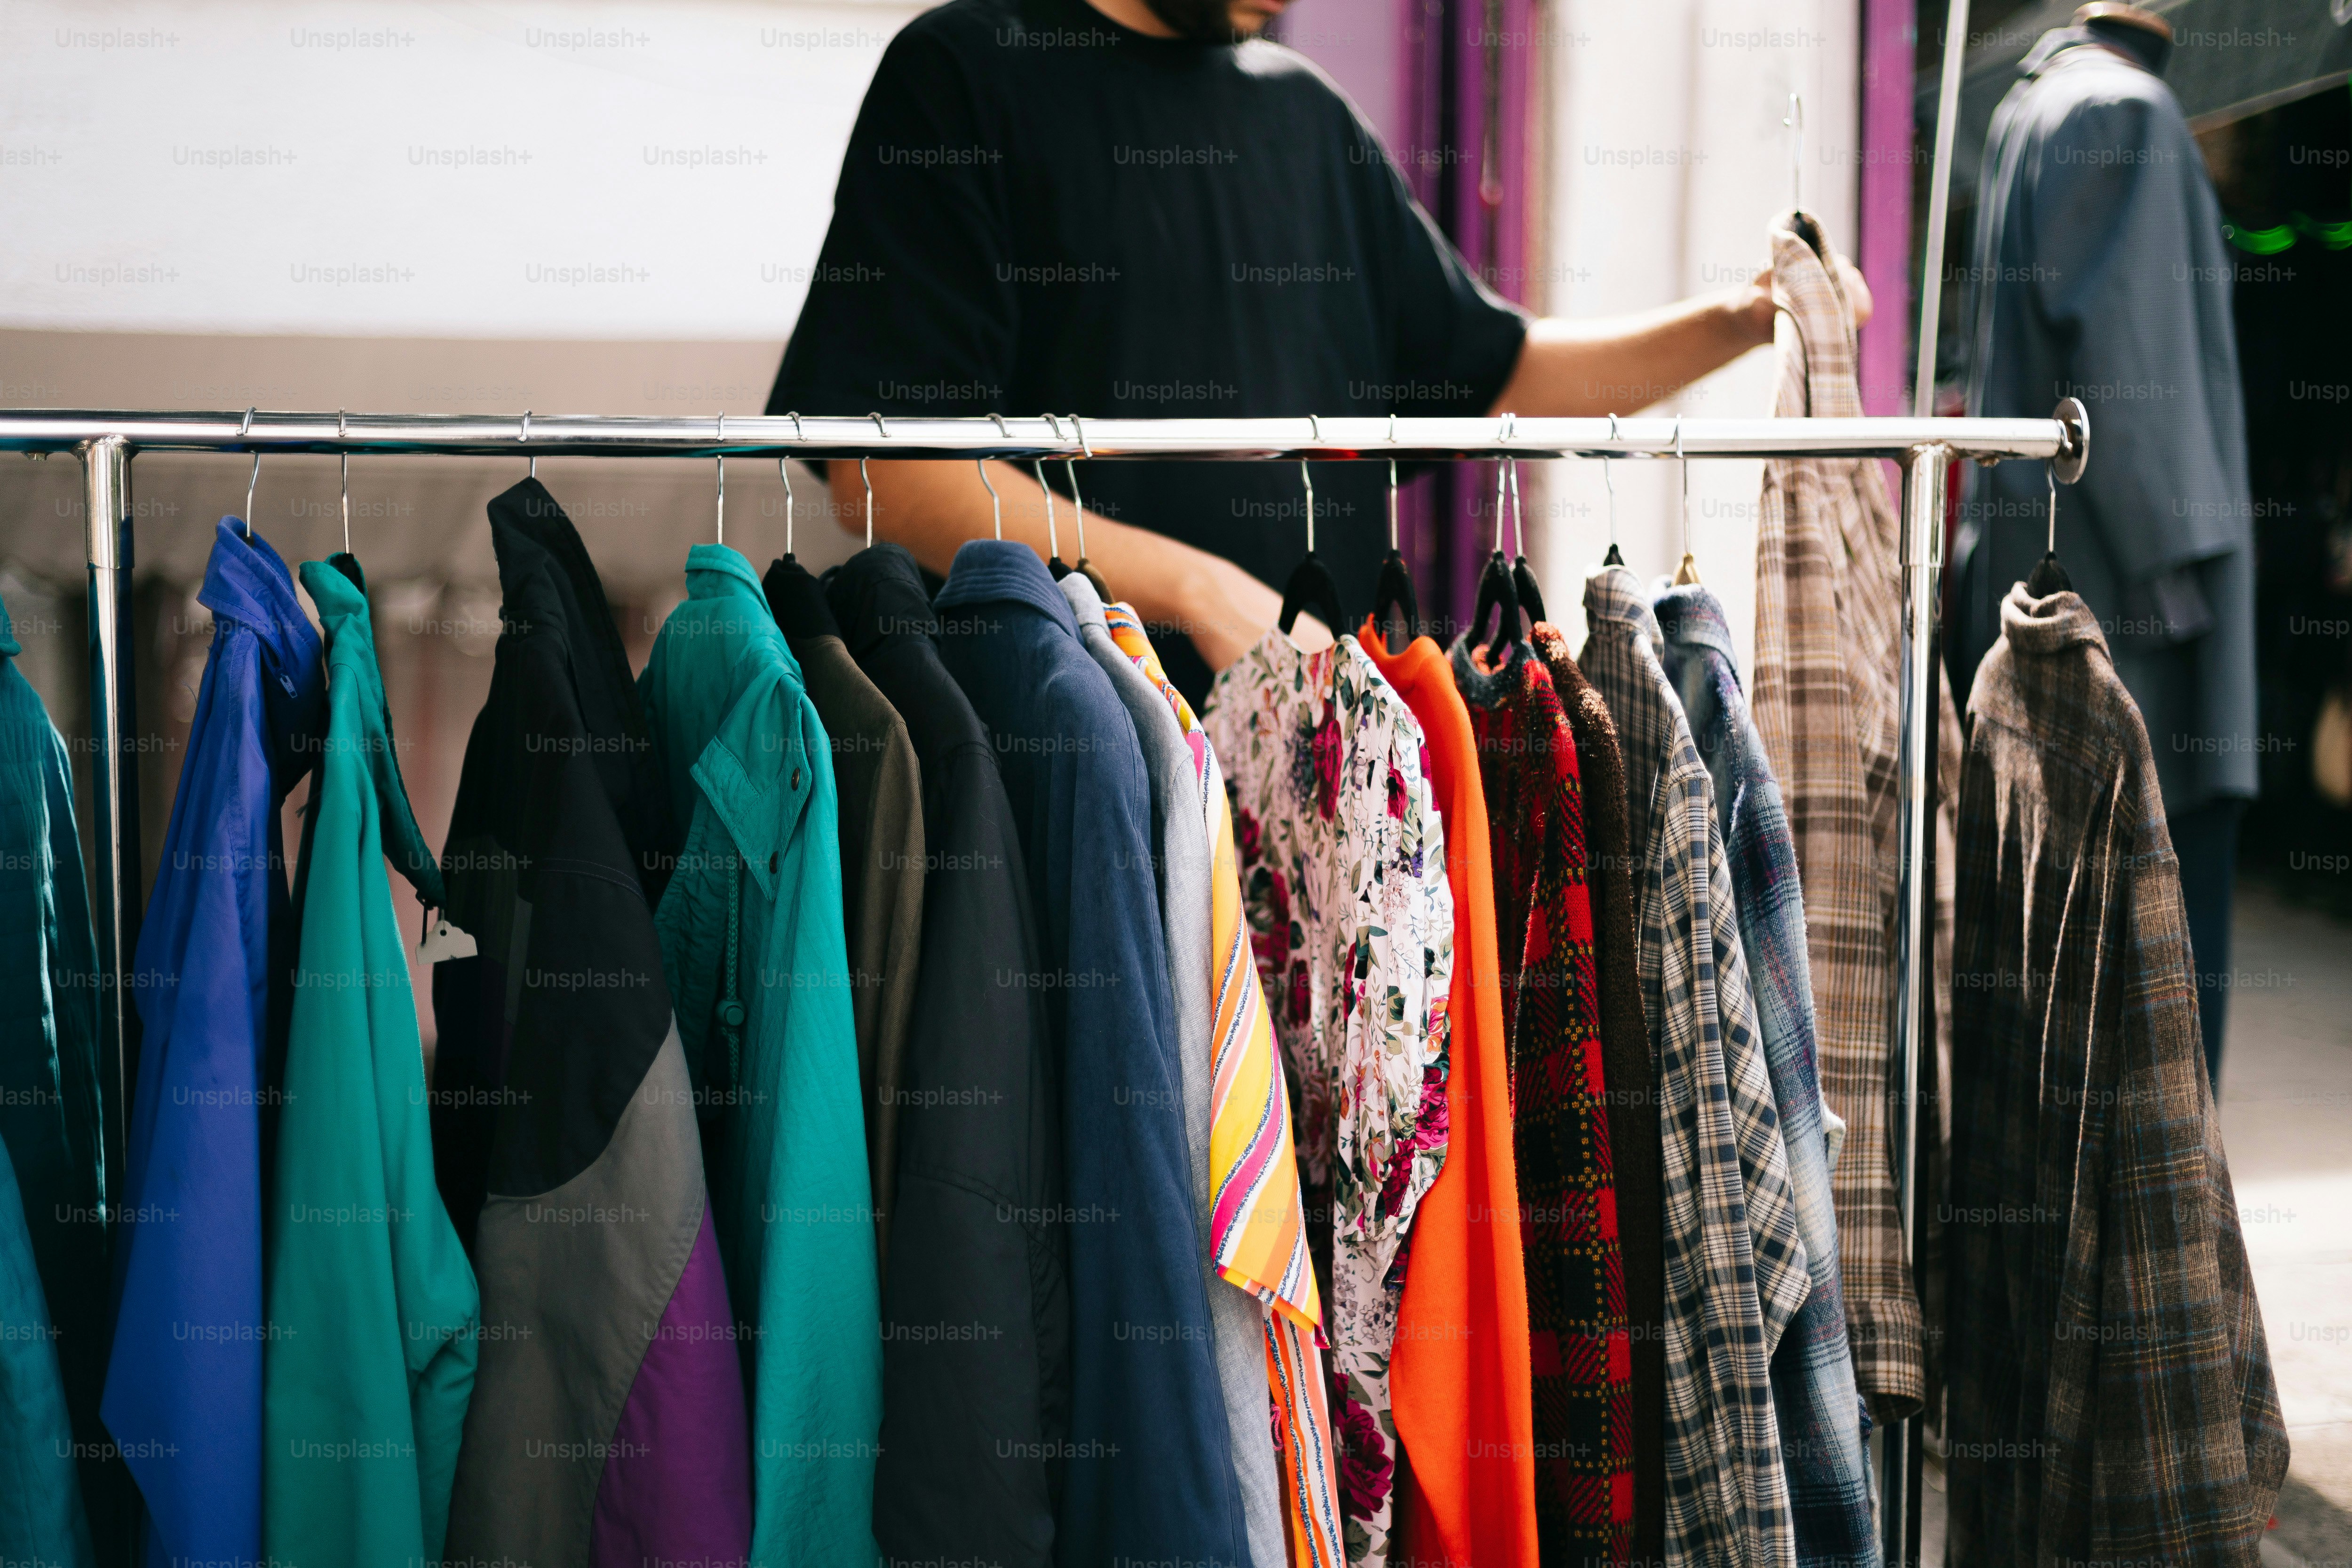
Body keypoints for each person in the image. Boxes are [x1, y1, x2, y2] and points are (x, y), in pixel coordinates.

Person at [769, 0, 1868, 700]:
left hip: (1321, 792)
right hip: (1051, 768)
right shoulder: (961, 72)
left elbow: (1501, 382)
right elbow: (888, 474)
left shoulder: (1307, 116)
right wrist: (1199, 590)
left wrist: (1744, 314)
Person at [1953, 1, 2255, 1091]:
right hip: (2140, 652)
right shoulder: (2124, 113)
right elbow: (2141, 388)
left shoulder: (2032, 110)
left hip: (2063, 614)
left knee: (2058, 1022)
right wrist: (2187, 609)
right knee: (2153, 1053)